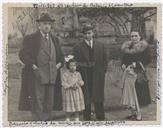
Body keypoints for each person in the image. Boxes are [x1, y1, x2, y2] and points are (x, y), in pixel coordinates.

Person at [19, 13, 64, 121]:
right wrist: (33, 66)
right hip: (37, 74)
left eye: (49, 24)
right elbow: (23, 54)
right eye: (44, 24)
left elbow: (61, 56)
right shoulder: (31, 38)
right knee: (37, 99)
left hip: (52, 74)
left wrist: (59, 64)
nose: (47, 26)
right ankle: (37, 121)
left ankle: (47, 120)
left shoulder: (55, 39)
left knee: (50, 100)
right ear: (39, 25)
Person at [73, 24, 108, 121]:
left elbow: (105, 60)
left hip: (98, 74)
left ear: (93, 33)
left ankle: (100, 117)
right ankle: (87, 118)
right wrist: (82, 68)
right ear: (83, 35)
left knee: (98, 96)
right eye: (86, 34)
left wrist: (102, 71)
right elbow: (74, 62)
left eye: (90, 33)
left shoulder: (100, 45)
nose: (88, 35)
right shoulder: (78, 47)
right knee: (86, 96)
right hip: (85, 74)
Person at [120, 30, 151, 120]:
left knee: (137, 93)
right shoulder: (127, 47)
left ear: (140, 37)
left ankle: (139, 114)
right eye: (132, 36)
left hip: (138, 73)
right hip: (128, 73)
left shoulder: (144, 47)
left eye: (136, 36)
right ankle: (133, 112)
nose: (134, 38)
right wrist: (123, 64)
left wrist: (136, 64)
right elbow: (124, 59)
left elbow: (147, 59)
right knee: (130, 94)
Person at [62, 55, 85, 121]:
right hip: (69, 92)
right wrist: (70, 86)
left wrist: (77, 85)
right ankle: (67, 118)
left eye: (74, 66)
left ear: (76, 66)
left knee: (77, 105)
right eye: (71, 66)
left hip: (77, 92)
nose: (72, 67)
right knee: (68, 107)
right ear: (68, 66)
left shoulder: (78, 74)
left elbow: (81, 81)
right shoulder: (65, 74)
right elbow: (63, 83)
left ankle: (76, 118)